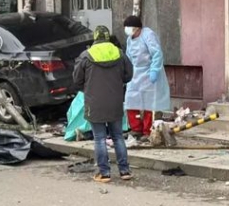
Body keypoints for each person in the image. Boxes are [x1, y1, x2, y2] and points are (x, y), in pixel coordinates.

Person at [73, 25, 134, 183]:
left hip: (95, 103)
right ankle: (124, 171)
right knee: (118, 136)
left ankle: (104, 173)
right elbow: (129, 75)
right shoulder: (119, 53)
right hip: (115, 101)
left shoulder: (86, 56)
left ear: (95, 37)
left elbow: (77, 79)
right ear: (107, 37)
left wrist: (88, 88)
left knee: (99, 138)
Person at [122, 16, 171, 140]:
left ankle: (148, 131)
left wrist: (154, 70)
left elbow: (157, 54)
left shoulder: (148, 35)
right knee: (131, 101)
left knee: (149, 103)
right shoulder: (129, 39)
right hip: (135, 73)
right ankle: (136, 128)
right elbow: (128, 56)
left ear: (137, 28)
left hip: (148, 72)